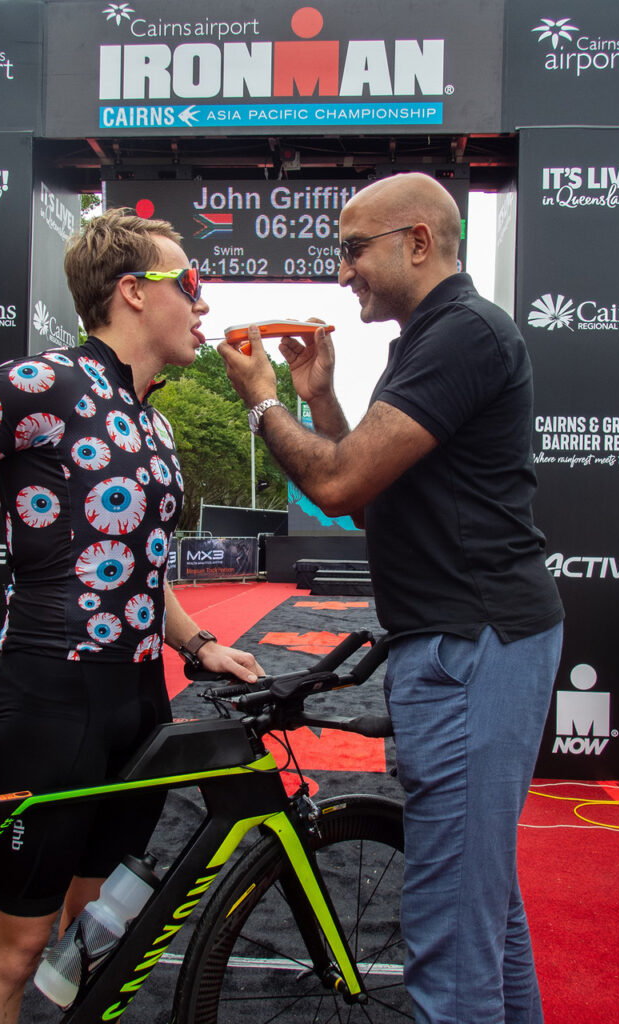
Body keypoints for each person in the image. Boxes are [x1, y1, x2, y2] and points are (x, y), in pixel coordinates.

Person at [0, 207, 262, 1023]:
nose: (205, 305)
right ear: (132, 291)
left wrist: (199, 642)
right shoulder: (41, 383)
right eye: (190, 284)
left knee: (90, 936)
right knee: (12, 950)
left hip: (139, 700)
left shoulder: (156, 420)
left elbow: (136, 565)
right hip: (51, 696)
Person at [218, 173, 564, 1024]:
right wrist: (321, 399)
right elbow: (375, 498)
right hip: (464, 644)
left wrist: (263, 404)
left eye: (352, 248)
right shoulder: (429, 339)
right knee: (486, 910)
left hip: (474, 645)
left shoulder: (463, 333)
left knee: (450, 937)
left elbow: (336, 484)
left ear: (418, 241)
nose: (343, 273)